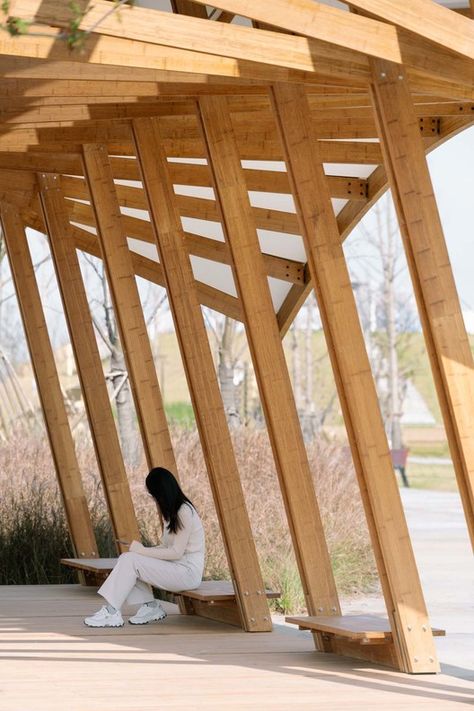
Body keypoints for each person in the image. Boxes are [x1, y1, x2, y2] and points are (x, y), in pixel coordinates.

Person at [84, 467, 205, 628]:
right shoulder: (173, 512)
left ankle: (112, 612)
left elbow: (176, 552)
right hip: (176, 567)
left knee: (132, 560)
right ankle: (150, 607)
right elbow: (165, 547)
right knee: (129, 559)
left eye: (153, 494)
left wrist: (141, 551)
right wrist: (141, 550)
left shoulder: (184, 511)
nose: (154, 499)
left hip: (187, 573)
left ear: (161, 492)